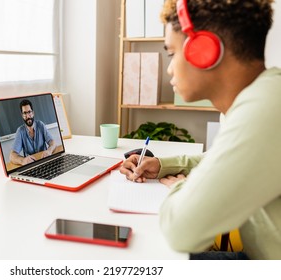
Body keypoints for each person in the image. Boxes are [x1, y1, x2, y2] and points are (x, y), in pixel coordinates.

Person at [120, 0, 281, 260]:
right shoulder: (260, 98)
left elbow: (180, 229)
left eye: (172, 53)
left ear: (205, 50)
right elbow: (222, 159)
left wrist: (184, 188)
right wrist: (161, 165)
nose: (169, 68)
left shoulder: (268, 108)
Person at [10, 99, 56, 165]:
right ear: (22, 115)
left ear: (33, 113)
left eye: (29, 112)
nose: (28, 116)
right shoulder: (20, 131)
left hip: (45, 161)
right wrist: (23, 160)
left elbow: (52, 142)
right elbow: (12, 156)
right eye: (25, 113)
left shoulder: (40, 125)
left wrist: (49, 151)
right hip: (31, 165)